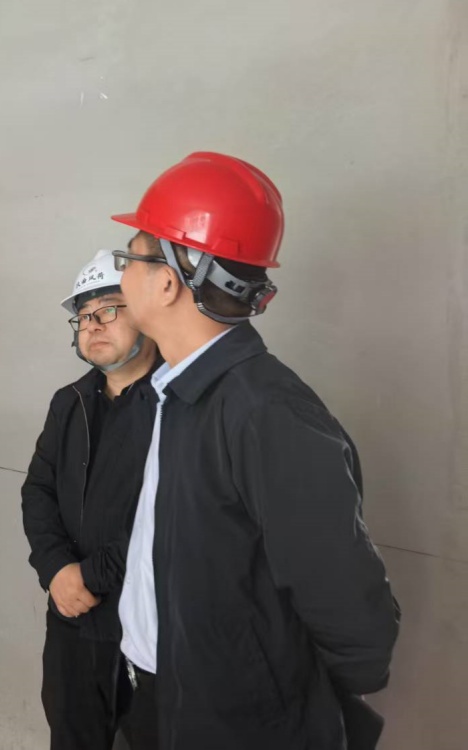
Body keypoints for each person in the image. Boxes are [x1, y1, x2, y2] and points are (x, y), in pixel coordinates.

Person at [111, 152, 400, 750]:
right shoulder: (180, 392)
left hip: (236, 722)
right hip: (169, 695)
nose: (122, 276)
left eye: (130, 258)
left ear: (168, 281)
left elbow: (352, 613)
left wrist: (282, 700)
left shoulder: (263, 411)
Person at [21, 249, 160, 750]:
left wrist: (90, 576)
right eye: (83, 316)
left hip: (148, 624)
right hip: (73, 619)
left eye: (108, 310)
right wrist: (56, 569)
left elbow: (167, 520)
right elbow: (37, 491)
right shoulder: (70, 402)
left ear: (145, 314)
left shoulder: (177, 404)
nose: (93, 325)